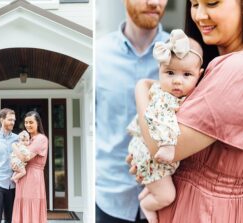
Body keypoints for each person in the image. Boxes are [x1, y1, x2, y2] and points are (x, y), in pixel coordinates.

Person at [128, 0, 243, 222]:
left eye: (212, 3)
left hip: (205, 211)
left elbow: (157, 144)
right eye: (194, 4)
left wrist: (141, 88)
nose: (200, 15)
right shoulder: (216, 64)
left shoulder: (236, 69)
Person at [96, 0, 169, 222]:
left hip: (168, 201)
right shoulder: (98, 54)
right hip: (110, 200)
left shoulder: (184, 55)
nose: (154, 2)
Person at [127, 29, 203, 223]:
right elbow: (160, 120)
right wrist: (168, 146)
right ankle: (147, 205)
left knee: (161, 188)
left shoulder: (183, 96)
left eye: (187, 74)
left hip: (150, 154)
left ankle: (146, 196)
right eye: (169, 73)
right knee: (167, 196)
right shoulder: (163, 96)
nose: (177, 80)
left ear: (199, 75)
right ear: (159, 71)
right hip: (151, 154)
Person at [12, 111, 48, 223]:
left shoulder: (41, 139)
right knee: (22, 204)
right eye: (26, 122)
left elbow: (24, 157)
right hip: (22, 177)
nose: (28, 125)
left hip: (33, 178)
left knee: (31, 204)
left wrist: (13, 146)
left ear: (38, 123)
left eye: (31, 122)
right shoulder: (28, 139)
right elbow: (20, 158)